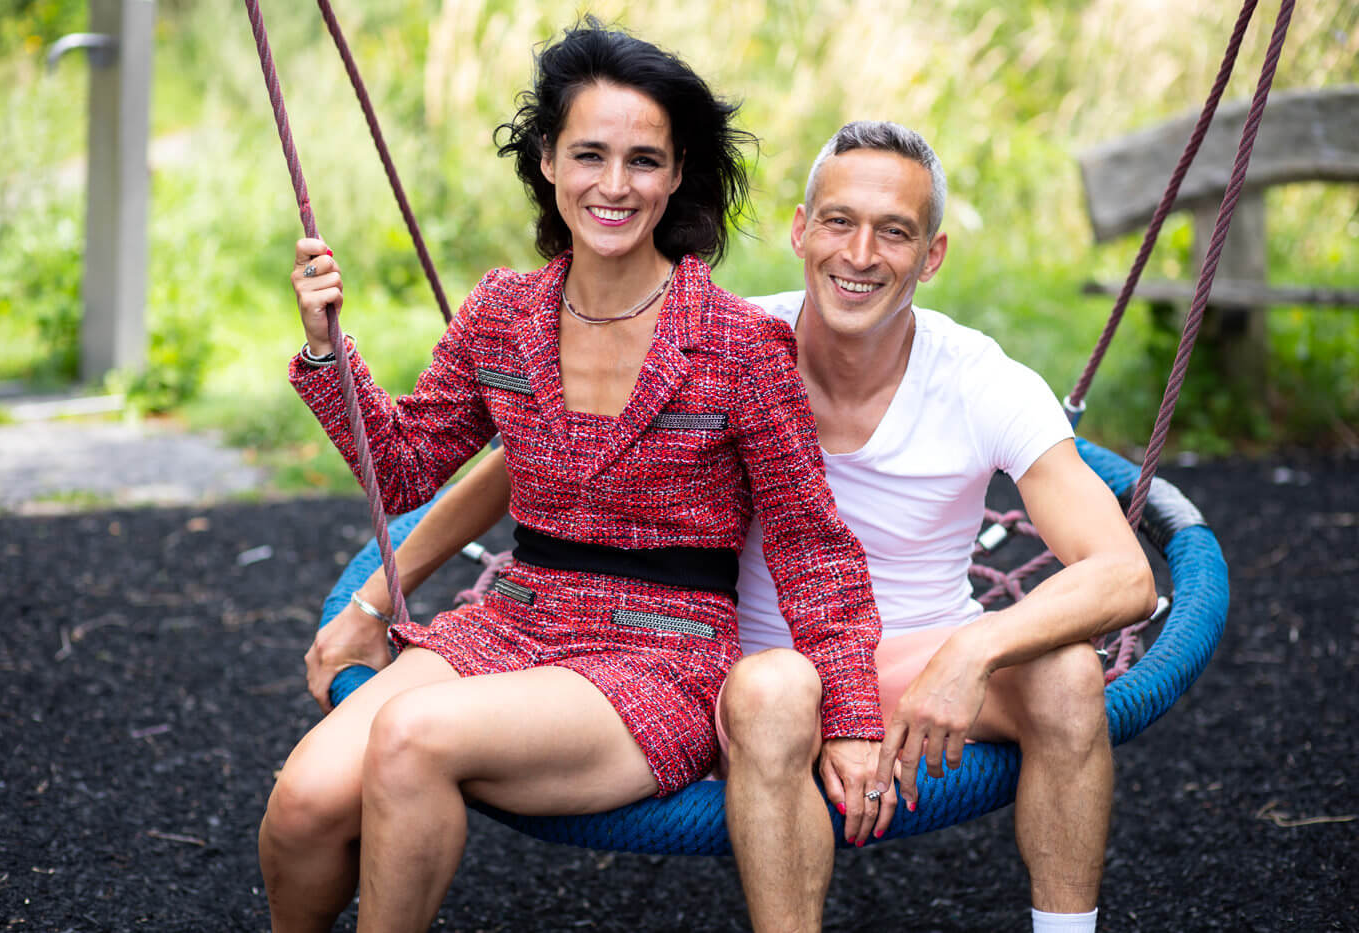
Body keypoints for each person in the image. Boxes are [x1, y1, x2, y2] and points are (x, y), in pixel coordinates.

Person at [312, 120, 1157, 933]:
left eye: (894, 233)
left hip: (915, 661)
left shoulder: (980, 380)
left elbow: (1123, 575)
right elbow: (527, 460)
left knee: (1068, 676)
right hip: (740, 671)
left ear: (931, 254)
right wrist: (380, 594)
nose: (860, 256)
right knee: (775, 690)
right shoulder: (728, 336)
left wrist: (974, 651)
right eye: (839, 222)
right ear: (800, 230)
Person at [261, 25, 888, 933]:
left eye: (644, 160)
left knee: (412, 735)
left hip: (662, 651)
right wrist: (328, 348)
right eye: (589, 154)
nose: (615, 184)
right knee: (305, 803)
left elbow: (810, 545)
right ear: (548, 161)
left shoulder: (739, 345)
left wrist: (857, 717)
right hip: (515, 618)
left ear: (676, 176)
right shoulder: (502, 314)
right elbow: (403, 469)